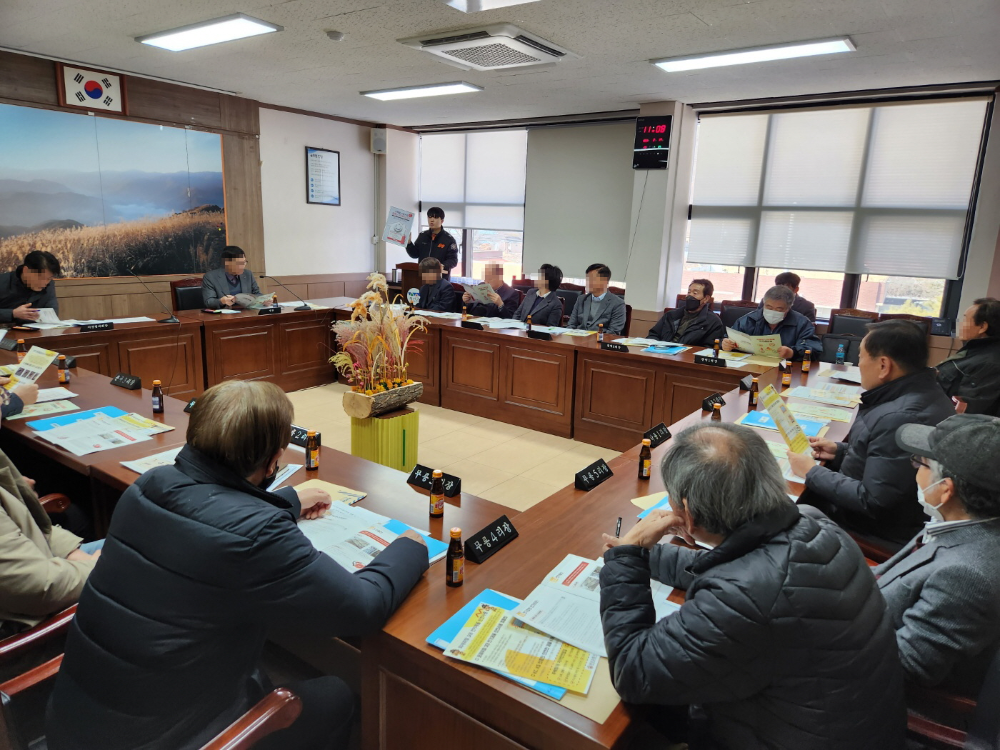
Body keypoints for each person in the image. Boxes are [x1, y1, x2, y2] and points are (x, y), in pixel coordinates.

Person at [46, 380, 429, 750]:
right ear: (274, 460)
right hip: (165, 737)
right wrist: (409, 548)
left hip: (75, 721)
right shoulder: (259, 535)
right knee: (334, 695)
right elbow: (362, 607)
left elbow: (209, 512)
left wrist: (286, 502)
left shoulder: (150, 485)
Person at [599, 422, 905, 750]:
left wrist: (625, 565)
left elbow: (633, 672)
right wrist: (641, 557)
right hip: (845, 726)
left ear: (686, 512)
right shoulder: (813, 523)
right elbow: (741, 567)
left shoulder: (743, 597)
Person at [789, 320, 956, 547]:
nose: (859, 364)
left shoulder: (900, 417)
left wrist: (811, 472)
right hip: (892, 517)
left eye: (860, 357)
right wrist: (840, 451)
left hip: (867, 528)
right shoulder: (926, 392)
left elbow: (873, 500)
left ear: (884, 365)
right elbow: (889, 461)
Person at [875, 415, 1000, 697]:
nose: (915, 471)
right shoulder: (958, 521)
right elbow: (891, 574)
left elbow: (907, 666)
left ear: (945, 490)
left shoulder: (966, 576)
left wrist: (832, 624)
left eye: (920, 463)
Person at [0, 447, 99, 639]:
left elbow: (24, 524)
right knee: (147, 563)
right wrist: (100, 568)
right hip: (30, 636)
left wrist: (71, 552)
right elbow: (39, 587)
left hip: (39, 566)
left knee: (142, 545)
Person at [936, 297, 1000, 416]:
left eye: (965, 320)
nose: (961, 325)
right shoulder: (976, 351)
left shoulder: (989, 364)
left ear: (982, 327)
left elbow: (965, 413)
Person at [722, 285, 821, 360]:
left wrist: (792, 353)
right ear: (764, 304)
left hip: (786, 370)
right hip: (750, 365)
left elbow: (814, 350)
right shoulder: (750, 319)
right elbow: (729, 338)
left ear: (788, 308)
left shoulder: (802, 323)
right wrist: (726, 344)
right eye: (769, 307)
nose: (773, 311)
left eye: (779, 309)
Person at [647, 279, 725, 347]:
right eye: (689, 292)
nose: (689, 295)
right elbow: (653, 334)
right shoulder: (670, 315)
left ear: (706, 299)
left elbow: (709, 348)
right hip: (661, 353)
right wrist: (655, 346)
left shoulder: (713, 322)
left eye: (695, 293)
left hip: (687, 357)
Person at [0, 250, 61, 323]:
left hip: (35, 329)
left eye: (49, 278)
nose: (44, 283)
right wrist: (13, 313)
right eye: (41, 278)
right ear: (26, 270)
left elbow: (53, 313)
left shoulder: (49, 285)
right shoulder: (3, 282)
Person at [566, 264, 627, 334]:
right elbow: (571, 325)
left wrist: (591, 338)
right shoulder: (581, 299)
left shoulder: (617, 303)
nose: (588, 283)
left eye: (592, 279)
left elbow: (613, 332)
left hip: (600, 339)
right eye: (587, 279)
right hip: (578, 338)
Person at [406, 207, 458, 276]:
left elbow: (453, 260)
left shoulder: (449, 239)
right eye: (429, 217)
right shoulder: (423, 235)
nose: (432, 220)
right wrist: (409, 243)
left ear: (442, 221)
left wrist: (442, 265)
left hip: (440, 278)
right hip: (423, 276)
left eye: (435, 218)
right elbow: (415, 254)